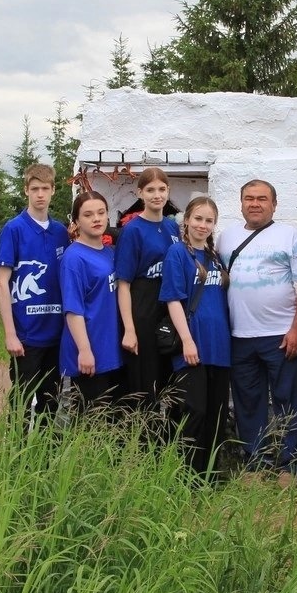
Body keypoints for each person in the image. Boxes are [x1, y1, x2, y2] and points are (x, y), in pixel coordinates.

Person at [215, 179, 297, 483]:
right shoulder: (225, 238)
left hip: (281, 334)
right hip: (239, 336)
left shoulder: (290, 236)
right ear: (241, 202)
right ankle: (255, 462)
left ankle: (292, 465)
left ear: (275, 203)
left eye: (262, 198)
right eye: (249, 198)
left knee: (289, 400)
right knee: (248, 402)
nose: (255, 203)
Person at [160, 196, 233, 480]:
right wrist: (188, 340)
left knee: (216, 413)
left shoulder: (215, 258)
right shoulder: (178, 254)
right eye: (198, 219)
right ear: (187, 220)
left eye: (209, 220)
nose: (203, 225)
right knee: (194, 410)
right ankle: (188, 475)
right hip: (193, 345)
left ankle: (211, 474)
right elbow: (173, 300)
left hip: (219, 346)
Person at [0, 163, 70, 430]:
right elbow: (1, 283)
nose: (40, 194)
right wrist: (10, 333)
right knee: (22, 404)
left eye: (45, 189)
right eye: (35, 188)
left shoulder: (61, 232)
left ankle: (45, 462)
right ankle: (16, 461)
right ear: (26, 190)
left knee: (51, 402)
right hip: (26, 334)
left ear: (52, 191)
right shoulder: (14, 229)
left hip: (56, 333)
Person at [116, 167, 182, 414]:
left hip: (168, 304)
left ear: (168, 192)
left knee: (167, 373)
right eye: (150, 190)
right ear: (140, 193)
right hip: (142, 304)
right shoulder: (133, 230)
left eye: (162, 189)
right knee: (145, 377)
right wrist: (129, 329)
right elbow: (123, 284)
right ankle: (142, 441)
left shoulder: (172, 228)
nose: (157, 195)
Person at [60, 191, 124, 408]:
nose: (96, 219)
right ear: (76, 220)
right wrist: (84, 350)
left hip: (110, 350)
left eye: (101, 212)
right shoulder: (74, 257)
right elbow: (73, 309)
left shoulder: (110, 253)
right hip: (89, 352)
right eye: (88, 215)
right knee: (89, 425)